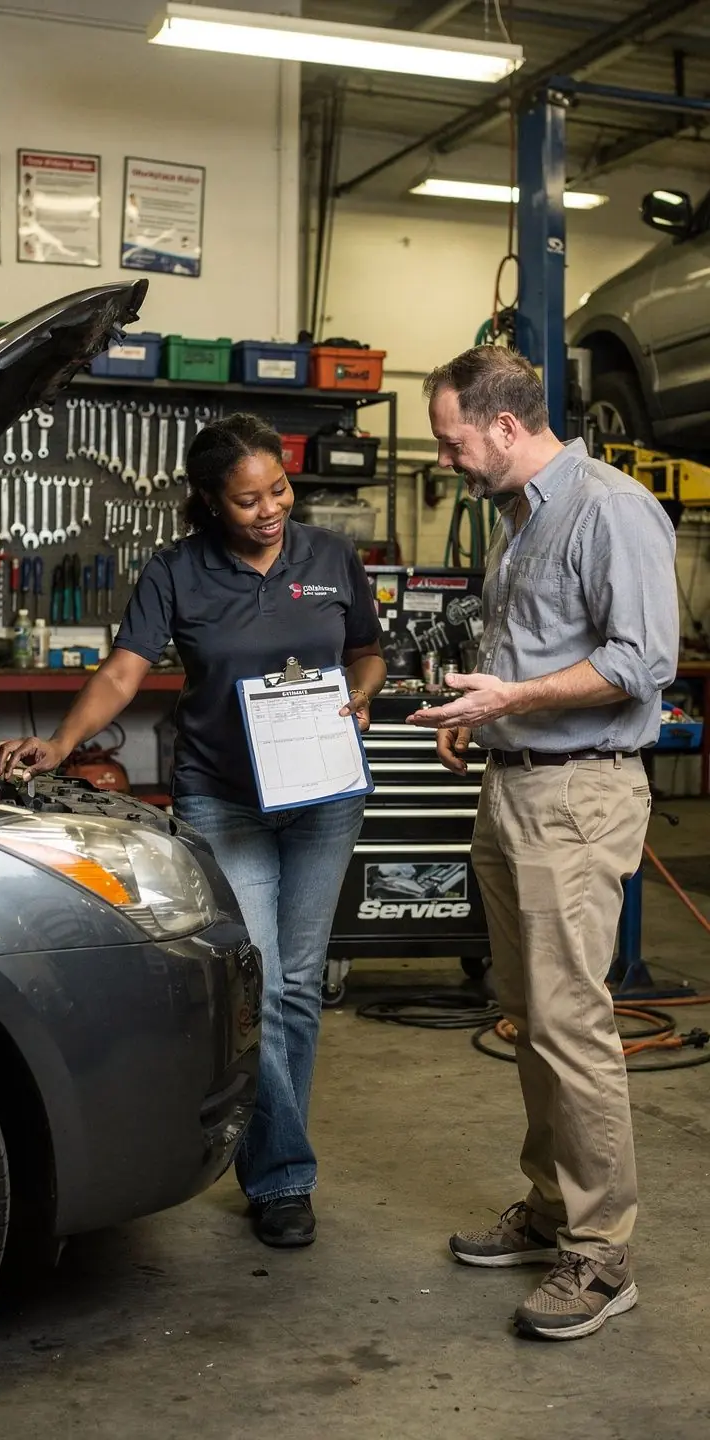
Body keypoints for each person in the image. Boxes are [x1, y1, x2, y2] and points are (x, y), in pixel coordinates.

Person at [0, 412, 386, 1249]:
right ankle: (284, 1176)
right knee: (263, 984)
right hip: (223, 797)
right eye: (247, 500)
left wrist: (360, 694)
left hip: (322, 796)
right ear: (209, 501)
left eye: (279, 489)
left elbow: (368, 649)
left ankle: (277, 1163)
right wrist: (60, 743)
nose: (270, 509)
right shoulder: (176, 570)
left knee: (299, 985)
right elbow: (123, 671)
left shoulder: (330, 557)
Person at [408, 346, 678, 1340]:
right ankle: (553, 1208)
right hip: (514, 785)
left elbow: (641, 662)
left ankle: (601, 1254)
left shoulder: (609, 509)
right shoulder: (520, 517)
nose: (445, 459)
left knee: (571, 1025)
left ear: (505, 427)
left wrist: (510, 699)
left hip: (578, 796)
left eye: (452, 441)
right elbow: (529, 650)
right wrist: (479, 718)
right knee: (528, 1014)